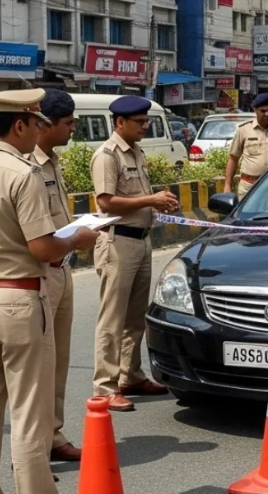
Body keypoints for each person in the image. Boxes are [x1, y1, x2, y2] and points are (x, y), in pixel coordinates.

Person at [0, 89, 98, 494]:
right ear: (19, 125)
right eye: (36, 124)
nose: (38, 132)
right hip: (18, 298)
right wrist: (77, 239)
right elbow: (43, 248)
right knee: (31, 412)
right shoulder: (22, 173)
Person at [90, 95, 178, 412]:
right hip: (118, 242)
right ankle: (105, 386)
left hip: (140, 240)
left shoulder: (136, 152)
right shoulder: (107, 156)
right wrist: (150, 201)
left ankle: (130, 374)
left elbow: (138, 197)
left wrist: (157, 201)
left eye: (146, 121)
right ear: (119, 123)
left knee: (134, 317)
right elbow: (106, 202)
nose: (145, 126)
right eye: (139, 122)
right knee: (112, 319)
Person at [25, 89, 82, 461]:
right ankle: (34, 446)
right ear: (44, 126)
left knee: (59, 360)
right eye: (67, 123)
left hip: (62, 269)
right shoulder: (26, 167)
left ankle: (54, 432)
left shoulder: (53, 162)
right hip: (40, 273)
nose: (73, 129)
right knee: (39, 366)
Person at [224, 93, 268, 199]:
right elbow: (233, 159)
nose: (267, 114)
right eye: (263, 111)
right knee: (247, 215)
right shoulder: (244, 130)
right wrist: (227, 186)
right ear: (255, 110)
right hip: (249, 187)